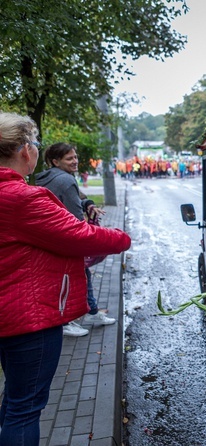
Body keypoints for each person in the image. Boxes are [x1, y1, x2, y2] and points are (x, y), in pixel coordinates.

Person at [0, 112, 130, 445]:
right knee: (26, 408)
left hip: (9, 310)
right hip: (29, 318)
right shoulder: (21, 198)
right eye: (34, 144)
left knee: (16, 399)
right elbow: (78, 235)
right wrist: (121, 237)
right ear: (25, 150)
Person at [35, 143, 117, 337]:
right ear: (56, 161)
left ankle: (91, 312)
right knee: (70, 279)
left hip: (49, 236)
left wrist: (87, 202)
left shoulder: (47, 177)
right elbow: (75, 214)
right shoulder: (64, 179)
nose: (75, 161)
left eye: (75, 157)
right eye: (69, 158)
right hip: (62, 239)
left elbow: (65, 200)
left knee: (80, 275)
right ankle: (65, 321)